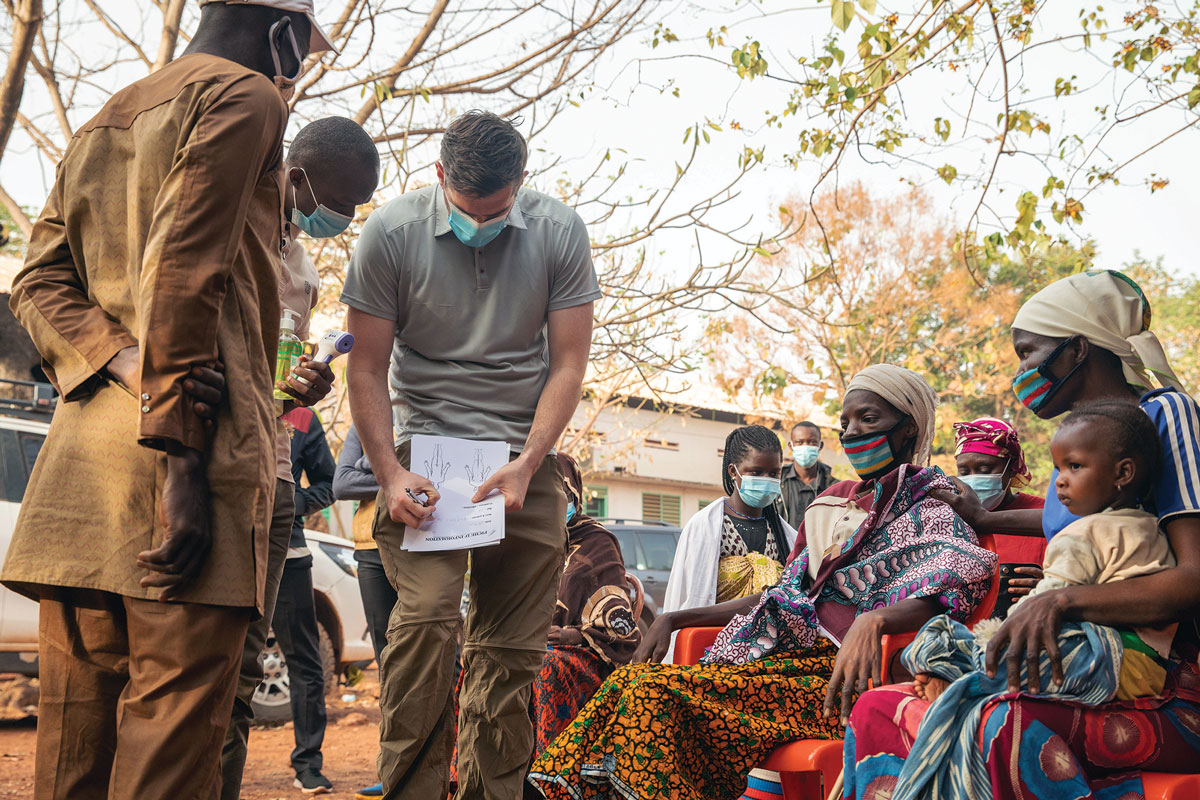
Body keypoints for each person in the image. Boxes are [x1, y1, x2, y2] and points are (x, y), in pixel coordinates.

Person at [2, 3, 336, 798]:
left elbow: (37, 283)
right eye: (302, 49)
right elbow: (184, 265)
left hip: (84, 482)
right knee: (168, 763)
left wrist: (124, 365)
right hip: (191, 479)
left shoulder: (107, 117)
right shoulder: (251, 97)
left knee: (69, 762)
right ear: (284, 32)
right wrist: (181, 460)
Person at [526, 365, 996, 800]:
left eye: (867, 419)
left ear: (908, 427)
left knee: (652, 699)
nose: (851, 433)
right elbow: (783, 595)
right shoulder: (834, 503)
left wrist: (876, 618)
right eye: (845, 422)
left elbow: (953, 583)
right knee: (629, 684)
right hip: (781, 658)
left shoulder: (933, 504)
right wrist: (674, 616)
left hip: (845, 680)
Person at [845, 270, 1200, 800]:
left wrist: (1060, 600)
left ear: (1078, 349)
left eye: (1029, 354)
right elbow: (1083, 521)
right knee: (876, 705)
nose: (1022, 372)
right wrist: (987, 520)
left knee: (995, 724)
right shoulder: (1086, 448)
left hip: (1158, 673)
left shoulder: (1162, 415)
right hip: (1077, 658)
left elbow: (1193, 576)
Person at [342, 110, 599, 800]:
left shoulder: (558, 230)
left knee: (509, 658)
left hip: (523, 457)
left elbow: (569, 364)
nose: (480, 224)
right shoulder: (390, 233)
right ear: (438, 178)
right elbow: (365, 368)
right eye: (464, 210)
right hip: (423, 455)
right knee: (425, 627)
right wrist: (389, 472)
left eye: (497, 209)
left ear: (521, 181)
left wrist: (530, 461)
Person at [220, 115, 379, 800]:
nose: (341, 217)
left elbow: (311, 454)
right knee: (223, 665)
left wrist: (302, 392)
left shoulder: (304, 270)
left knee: (294, 662)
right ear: (301, 174)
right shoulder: (236, 230)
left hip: (285, 523)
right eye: (340, 201)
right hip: (231, 476)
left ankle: (308, 765)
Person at [532, 453, 641, 760]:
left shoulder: (596, 541)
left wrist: (576, 635)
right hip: (526, 644)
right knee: (481, 664)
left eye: (561, 493)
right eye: (543, 492)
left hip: (583, 653)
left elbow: (618, 622)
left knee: (545, 667)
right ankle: (472, 780)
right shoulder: (523, 540)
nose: (553, 502)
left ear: (575, 494)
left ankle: (549, 775)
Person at [663, 425, 797, 649]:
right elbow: (691, 594)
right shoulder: (705, 527)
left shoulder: (787, 536)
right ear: (734, 471)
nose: (766, 479)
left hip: (774, 651)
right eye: (756, 472)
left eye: (774, 473)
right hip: (712, 646)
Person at [276, 406, 337, 793]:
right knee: (226, 662)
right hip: (227, 555)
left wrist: (292, 504)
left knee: (305, 663)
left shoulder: (298, 414)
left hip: (288, 556)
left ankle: (307, 765)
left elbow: (329, 483)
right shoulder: (230, 389)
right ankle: (217, 764)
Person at [950, 417, 1045, 613]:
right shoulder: (949, 520)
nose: (973, 479)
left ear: (1011, 470)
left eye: (984, 470)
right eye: (964, 472)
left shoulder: (1043, 515)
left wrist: (1049, 586)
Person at [779, 421, 837, 527]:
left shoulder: (833, 487)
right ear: (791, 446)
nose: (805, 447)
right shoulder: (778, 482)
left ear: (820, 445)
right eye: (799, 442)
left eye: (812, 442)